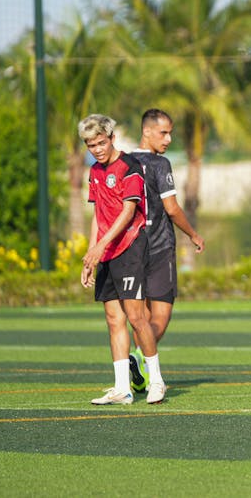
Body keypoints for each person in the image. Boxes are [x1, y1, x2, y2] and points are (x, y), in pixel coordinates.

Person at [78, 114, 167, 405]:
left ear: (112, 138)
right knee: (113, 319)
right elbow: (98, 215)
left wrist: (100, 246)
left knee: (136, 317)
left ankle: (157, 381)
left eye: (101, 143)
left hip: (129, 248)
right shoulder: (94, 172)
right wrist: (91, 256)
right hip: (106, 252)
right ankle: (122, 389)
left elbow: (128, 212)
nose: (97, 149)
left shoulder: (130, 166)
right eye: (91, 145)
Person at [126, 108, 205, 394]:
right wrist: (193, 234)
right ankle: (137, 358)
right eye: (164, 132)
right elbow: (171, 209)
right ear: (147, 132)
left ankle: (140, 371)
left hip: (131, 250)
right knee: (159, 318)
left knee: (139, 317)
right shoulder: (160, 164)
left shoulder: (124, 162)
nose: (169, 139)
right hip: (159, 248)